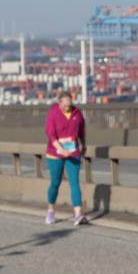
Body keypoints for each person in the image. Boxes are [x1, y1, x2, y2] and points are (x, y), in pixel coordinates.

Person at [43, 90, 87, 226]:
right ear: (59, 102)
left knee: (74, 182)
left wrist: (82, 145)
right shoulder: (53, 113)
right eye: (65, 105)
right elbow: (50, 134)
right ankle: (51, 210)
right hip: (55, 152)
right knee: (55, 183)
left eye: (70, 104)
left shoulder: (77, 113)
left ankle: (78, 214)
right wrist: (61, 149)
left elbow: (81, 132)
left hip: (73, 152)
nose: (68, 107)